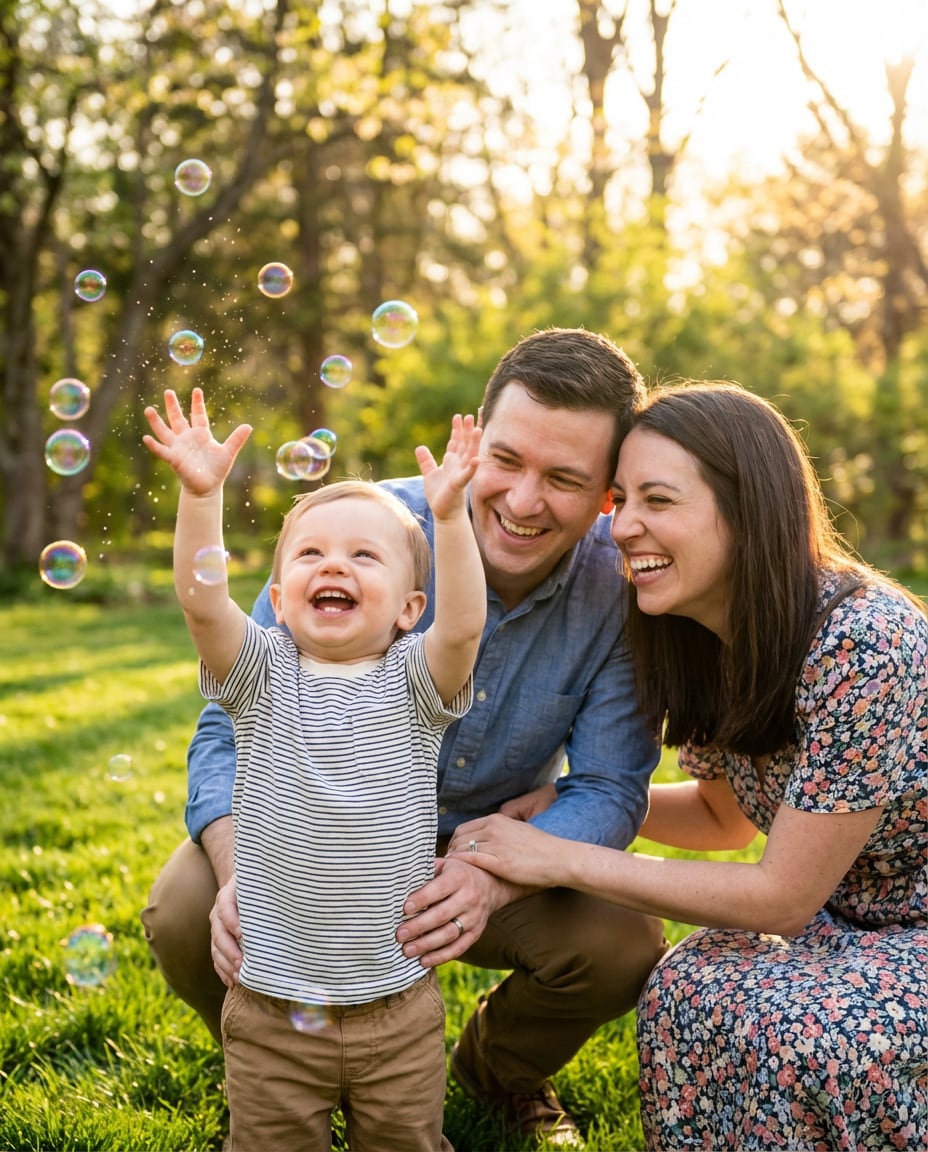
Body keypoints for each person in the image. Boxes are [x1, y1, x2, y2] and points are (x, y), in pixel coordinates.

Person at [140, 327, 668, 1148]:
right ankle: (283, 1054)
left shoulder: (621, 590)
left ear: (608, 494)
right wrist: (246, 869)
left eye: (564, 479)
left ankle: (497, 1073)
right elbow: (225, 728)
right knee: (184, 908)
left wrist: (492, 877)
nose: (524, 502)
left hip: (486, 847)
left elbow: (608, 787)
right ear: (477, 435)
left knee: (618, 942)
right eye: (507, 461)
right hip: (309, 853)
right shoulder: (355, 533)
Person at [446, 380, 928, 1151]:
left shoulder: (863, 642)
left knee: (816, 1030)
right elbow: (720, 817)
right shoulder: (708, 637)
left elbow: (781, 898)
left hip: (907, 929)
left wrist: (558, 857)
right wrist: (557, 800)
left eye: (657, 501)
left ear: (746, 510)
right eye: (621, 497)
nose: (623, 525)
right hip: (847, 924)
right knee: (685, 985)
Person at [142, 387, 485, 1152]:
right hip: (270, 1005)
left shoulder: (416, 682)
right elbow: (203, 606)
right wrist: (202, 498)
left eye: (365, 555)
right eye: (311, 554)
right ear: (278, 600)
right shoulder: (261, 674)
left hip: (394, 1006)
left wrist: (454, 517)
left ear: (408, 607)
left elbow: (463, 625)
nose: (335, 564)